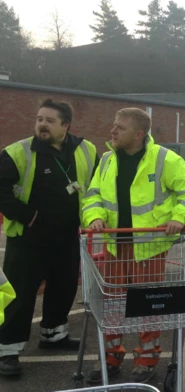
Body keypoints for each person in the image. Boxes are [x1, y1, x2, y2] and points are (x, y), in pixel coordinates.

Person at [82, 107, 185, 384]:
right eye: (114, 125)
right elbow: (93, 195)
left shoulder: (164, 159)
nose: (112, 131)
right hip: (114, 244)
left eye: (119, 127)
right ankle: (110, 358)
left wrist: (178, 218)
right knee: (112, 305)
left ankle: (146, 359)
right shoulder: (107, 161)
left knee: (148, 305)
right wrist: (95, 216)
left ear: (138, 134)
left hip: (149, 246)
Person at [0, 99, 98, 376]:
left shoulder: (86, 149)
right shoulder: (18, 152)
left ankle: (53, 336)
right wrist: (25, 214)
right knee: (19, 296)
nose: (42, 124)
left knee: (63, 288)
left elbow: (98, 185)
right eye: (39, 119)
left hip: (67, 237)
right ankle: (7, 350)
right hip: (28, 239)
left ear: (65, 125)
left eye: (49, 120)